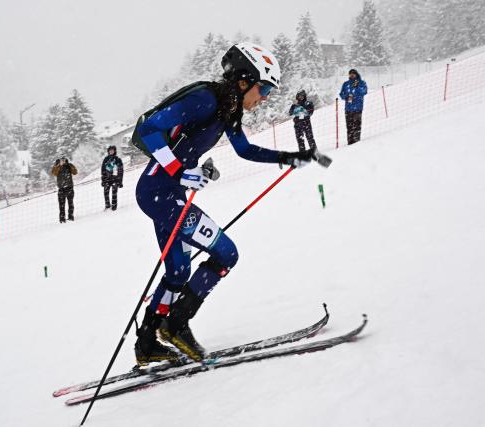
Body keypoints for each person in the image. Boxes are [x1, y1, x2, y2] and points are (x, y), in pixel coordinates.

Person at [131, 42, 318, 367]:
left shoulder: (228, 111)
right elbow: (149, 129)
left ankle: (148, 342)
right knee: (226, 254)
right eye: (265, 89)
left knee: (178, 270)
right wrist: (179, 170)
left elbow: (244, 149)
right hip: (159, 191)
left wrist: (288, 157)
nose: (265, 98)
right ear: (244, 80)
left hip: (163, 194)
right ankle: (175, 326)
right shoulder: (205, 99)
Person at [339, 69, 368, 145]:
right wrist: (346, 96)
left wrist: (357, 86)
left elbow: (364, 91)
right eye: (350, 74)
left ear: (356, 74)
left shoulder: (361, 83)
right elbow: (341, 94)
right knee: (349, 127)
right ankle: (350, 143)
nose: (351, 75)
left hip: (358, 108)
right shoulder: (346, 84)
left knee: (357, 126)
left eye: (353, 73)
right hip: (348, 109)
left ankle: (357, 143)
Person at [51, 157, 78, 223]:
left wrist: (69, 165)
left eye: (63, 160)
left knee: (70, 203)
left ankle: (71, 217)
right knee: (61, 205)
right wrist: (58, 165)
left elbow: (75, 172)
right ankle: (62, 219)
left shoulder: (69, 166)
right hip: (61, 189)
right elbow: (54, 173)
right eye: (61, 160)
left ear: (65, 160)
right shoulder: (57, 167)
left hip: (69, 187)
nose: (62, 161)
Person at [101, 145, 124, 211]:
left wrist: (120, 181)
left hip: (115, 179)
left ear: (115, 151)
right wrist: (103, 180)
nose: (111, 151)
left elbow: (120, 171)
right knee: (106, 192)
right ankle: (107, 206)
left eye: (112, 150)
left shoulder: (118, 159)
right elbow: (103, 170)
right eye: (110, 150)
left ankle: (114, 207)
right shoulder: (106, 159)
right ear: (108, 151)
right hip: (107, 179)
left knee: (114, 193)